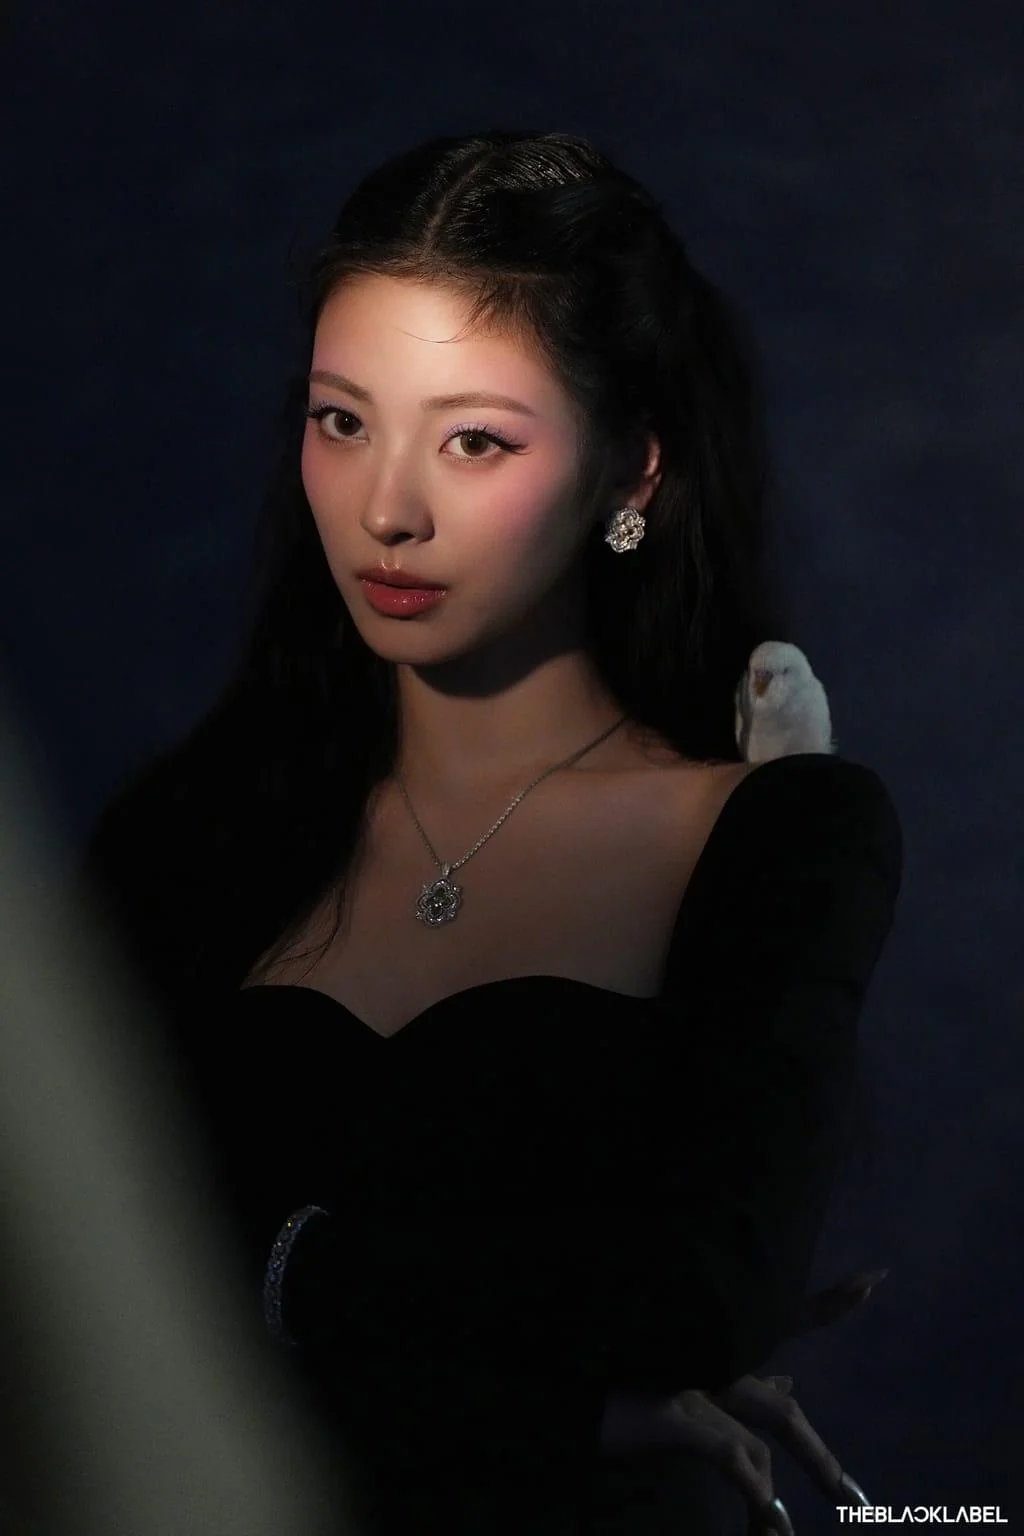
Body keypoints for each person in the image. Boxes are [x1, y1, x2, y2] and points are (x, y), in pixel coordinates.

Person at [77, 129, 904, 1534]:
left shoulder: (773, 832)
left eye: (475, 440)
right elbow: (66, 1318)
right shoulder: (182, 840)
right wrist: (558, 1401)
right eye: (344, 422)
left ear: (632, 470)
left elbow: (702, 1297)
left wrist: (274, 1266)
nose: (387, 509)